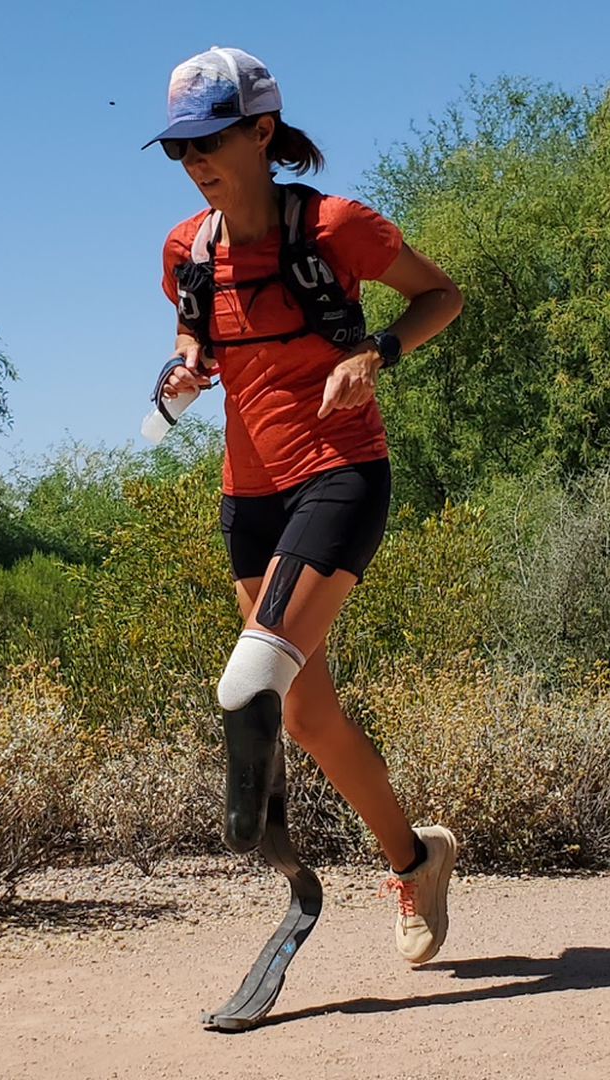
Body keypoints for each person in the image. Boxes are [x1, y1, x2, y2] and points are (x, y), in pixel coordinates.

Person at [145, 46, 465, 965]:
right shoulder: (185, 249)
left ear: (261, 131)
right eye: (179, 149)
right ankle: (416, 859)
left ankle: (273, 862)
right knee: (304, 715)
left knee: (249, 685)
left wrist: (377, 354)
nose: (196, 161)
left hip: (339, 474)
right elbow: (192, 330)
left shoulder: (336, 227)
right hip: (247, 498)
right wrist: (186, 367)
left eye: (209, 139)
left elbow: (442, 295)